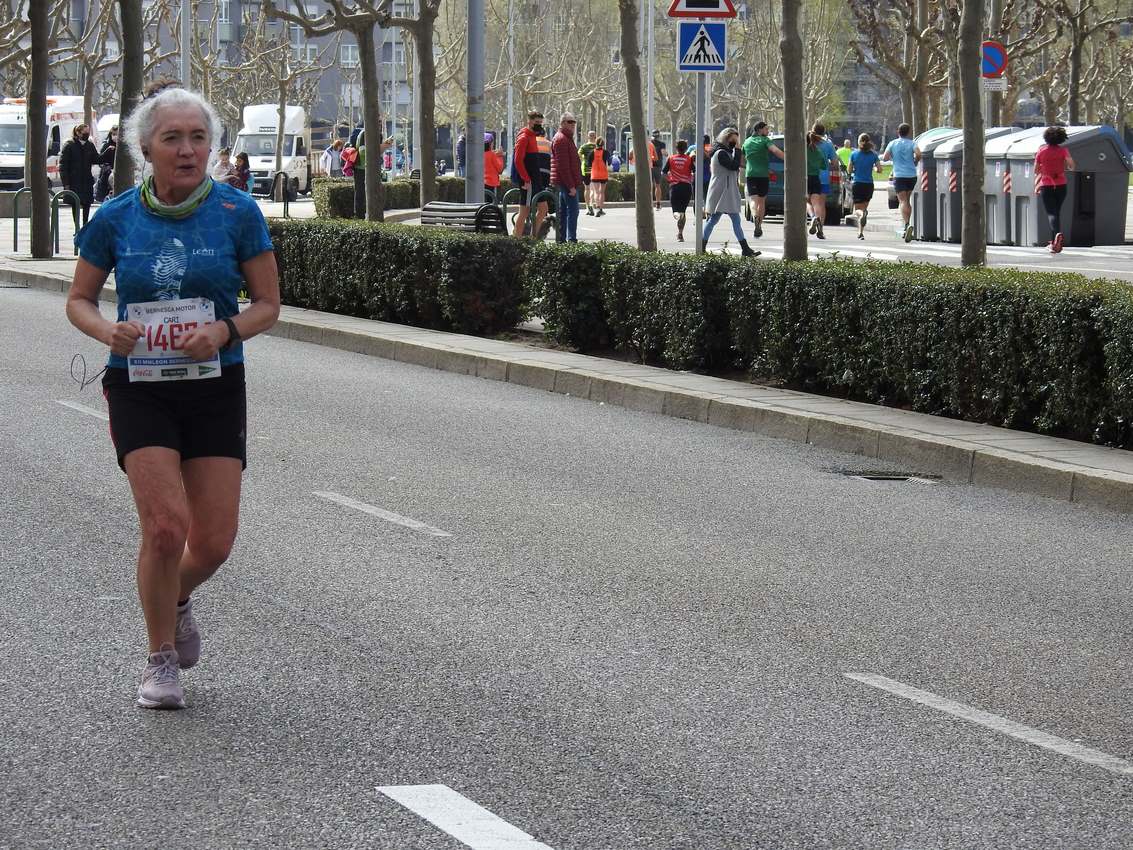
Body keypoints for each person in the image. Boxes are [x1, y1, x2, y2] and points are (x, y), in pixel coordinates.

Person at [64, 84, 280, 710]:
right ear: (145, 149)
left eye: (198, 138)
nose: (187, 151)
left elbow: (268, 304)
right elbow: (79, 300)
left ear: (212, 147)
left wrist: (225, 329)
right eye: (172, 139)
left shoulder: (240, 215)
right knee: (164, 527)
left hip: (215, 384)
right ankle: (160, 659)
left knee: (211, 542)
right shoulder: (114, 218)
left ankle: (175, 597)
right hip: (140, 385)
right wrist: (110, 330)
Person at [703, 128, 758, 257]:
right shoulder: (721, 153)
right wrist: (738, 149)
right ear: (726, 139)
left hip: (727, 191)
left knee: (735, 220)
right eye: (734, 139)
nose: (736, 142)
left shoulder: (726, 153)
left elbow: (737, 164)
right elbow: (733, 166)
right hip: (720, 191)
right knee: (713, 220)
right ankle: (701, 245)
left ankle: (745, 249)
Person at [1034, 125, 1075, 254]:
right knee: (1056, 212)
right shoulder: (1063, 151)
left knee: (1052, 213)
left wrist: (1044, 168)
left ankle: (1056, 236)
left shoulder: (1041, 151)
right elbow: (1072, 166)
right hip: (1061, 184)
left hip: (1047, 185)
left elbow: (1036, 170)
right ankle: (1054, 242)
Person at [741, 121, 784, 239]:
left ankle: (755, 216)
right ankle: (759, 224)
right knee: (762, 201)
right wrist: (787, 159)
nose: (768, 131)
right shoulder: (765, 141)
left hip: (751, 175)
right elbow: (775, 151)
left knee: (753, 200)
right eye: (766, 129)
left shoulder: (747, 141)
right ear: (759, 130)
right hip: (763, 175)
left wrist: (748, 166)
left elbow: (742, 159)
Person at [881, 122, 919, 242]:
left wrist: (893, 157)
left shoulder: (892, 143)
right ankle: (908, 224)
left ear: (898, 132)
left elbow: (885, 157)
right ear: (908, 132)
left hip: (899, 175)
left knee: (902, 201)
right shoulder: (912, 143)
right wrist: (915, 161)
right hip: (911, 175)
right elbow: (919, 153)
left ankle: (907, 224)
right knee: (907, 200)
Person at [60, 124, 101, 226]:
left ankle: (85, 225)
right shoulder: (69, 145)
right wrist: (66, 183)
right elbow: (63, 166)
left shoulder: (89, 145)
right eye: (84, 132)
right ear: (78, 133)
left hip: (86, 180)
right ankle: (77, 227)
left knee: (87, 204)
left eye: (88, 132)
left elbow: (96, 159)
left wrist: (107, 153)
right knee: (75, 204)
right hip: (74, 181)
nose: (86, 135)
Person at [550, 112, 583, 242]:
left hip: (566, 182)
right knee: (573, 212)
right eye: (570, 122)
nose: (573, 125)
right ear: (562, 123)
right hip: (566, 183)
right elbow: (562, 166)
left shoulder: (566, 138)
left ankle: (562, 240)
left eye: (574, 122)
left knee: (564, 212)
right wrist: (571, 186)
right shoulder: (561, 139)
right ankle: (571, 240)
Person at [849, 133, 882, 240]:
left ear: (859, 142)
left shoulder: (854, 154)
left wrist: (854, 169)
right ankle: (860, 233)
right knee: (864, 208)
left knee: (858, 210)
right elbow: (880, 169)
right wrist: (874, 169)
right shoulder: (873, 155)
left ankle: (862, 217)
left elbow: (849, 170)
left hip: (857, 183)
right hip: (868, 185)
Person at [662, 138, 695, 242]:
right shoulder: (689, 159)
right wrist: (691, 178)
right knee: (683, 211)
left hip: (675, 187)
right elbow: (694, 171)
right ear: (685, 149)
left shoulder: (671, 159)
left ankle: (679, 228)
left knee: (676, 211)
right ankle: (680, 233)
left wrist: (669, 179)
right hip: (686, 187)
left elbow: (663, 172)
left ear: (676, 148)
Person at [810, 122, 838, 228]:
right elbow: (835, 163)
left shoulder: (808, 142)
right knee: (821, 203)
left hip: (808, 176)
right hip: (823, 177)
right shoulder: (828, 144)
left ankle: (813, 216)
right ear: (824, 132)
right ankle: (820, 226)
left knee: (808, 201)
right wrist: (827, 163)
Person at [805, 131, 828, 239]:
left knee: (805, 201)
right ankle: (818, 224)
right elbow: (824, 166)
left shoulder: (802, 151)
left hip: (804, 179)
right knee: (816, 202)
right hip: (816, 178)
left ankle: (813, 216)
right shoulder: (818, 151)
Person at [95, 125, 117, 203]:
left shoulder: (123, 146)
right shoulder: (107, 145)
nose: (115, 136)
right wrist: (107, 167)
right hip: (107, 173)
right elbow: (100, 159)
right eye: (113, 134)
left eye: (117, 134)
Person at [588, 138, 610, 216]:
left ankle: (596, 208)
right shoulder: (606, 152)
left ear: (595, 143)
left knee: (596, 192)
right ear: (603, 144)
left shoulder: (591, 152)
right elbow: (610, 162)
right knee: (602, 192)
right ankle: (600, 209)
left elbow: (589, 164)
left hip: (594, 174)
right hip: (603, 174)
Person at [579, 129, 597, 215]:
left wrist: (583, 160)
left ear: (588, 137)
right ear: (595, 137)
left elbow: (578, 154)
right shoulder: (598, 147)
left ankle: (587, 206)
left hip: (586, 170)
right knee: (594, 189)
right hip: (595, 170)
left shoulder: (583, 147)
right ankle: (592, 205)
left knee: (587, 188)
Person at [484, 133, 505, 201]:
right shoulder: (492, 155)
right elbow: (500, 169)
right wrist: (500, 156)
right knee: (490, 203)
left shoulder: (478, 154)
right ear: (490, 143)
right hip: (491, 182)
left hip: (481, 182)